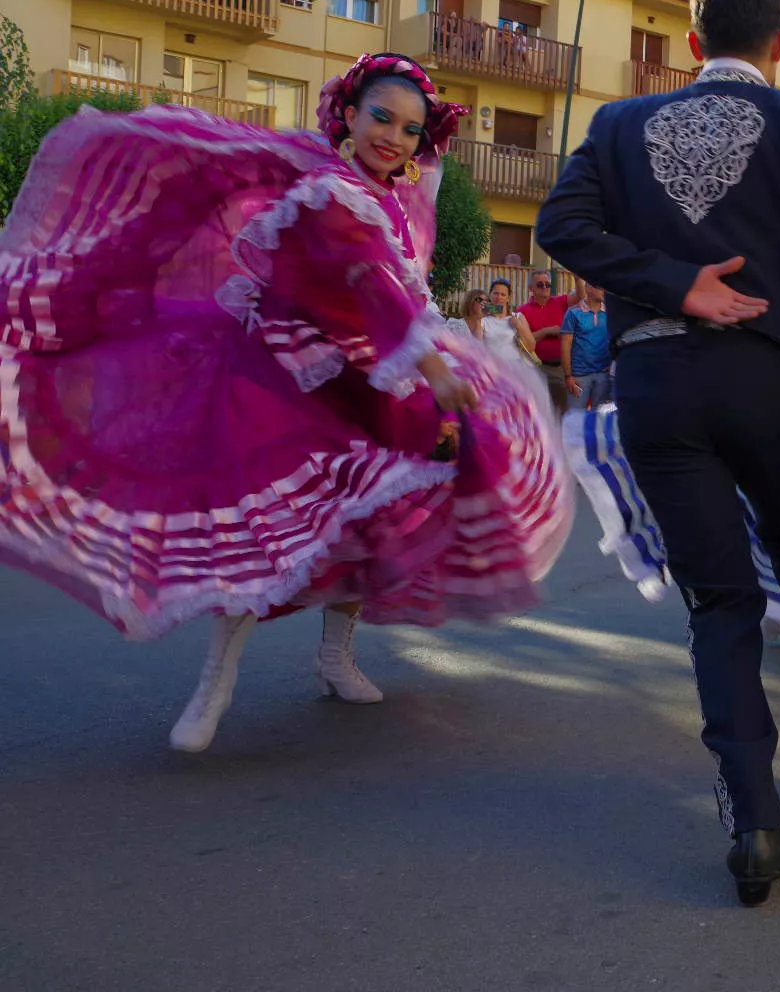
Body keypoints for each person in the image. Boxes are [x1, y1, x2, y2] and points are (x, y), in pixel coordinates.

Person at [0, 53, 572, 753]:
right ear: (350, 116)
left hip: (366, 381)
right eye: (381, 118)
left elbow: (399, 290)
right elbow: (371, 283)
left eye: (411, 129)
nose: (393, 137)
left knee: (371, 516)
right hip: (284, 383)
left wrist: (427, 366)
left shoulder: (392, 200)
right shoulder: (331, 191)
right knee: (263, 542)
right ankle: (215, 684)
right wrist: (430, 364)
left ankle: (335, 656)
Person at [535, 0, 780, 906]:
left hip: (656, 385)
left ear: (694, 44)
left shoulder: (618, 125)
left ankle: (756, 826)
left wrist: (669, 280)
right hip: (761, 377)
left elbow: (560, 228)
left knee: (721, 604)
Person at [517, 272, 574, 411]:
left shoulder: (559, 302)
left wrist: (577, 278)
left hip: (559, 368)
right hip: (536, 367)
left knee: (561, 409)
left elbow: (580, 296)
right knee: (538, 409)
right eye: (540, 284)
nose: (544, 287)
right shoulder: (522, 311)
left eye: (547, 284)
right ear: (531, 288)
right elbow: (523, 341)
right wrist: (546, 331)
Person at [447, 287, 536, 363]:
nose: (484, 304)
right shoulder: (456, 325)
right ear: (470, 302)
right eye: (479, 300)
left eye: (487, 301)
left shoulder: (484, 324)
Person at [561, 282, 613, 411]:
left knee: (600, 420)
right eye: (601, 288)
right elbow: (565, 346)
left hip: (603, 375)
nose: (604, 291)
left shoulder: (610, 312)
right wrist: (568, 376)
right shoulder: (573, 313)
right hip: (579, 376)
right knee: (575, 419)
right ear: (589, 288)